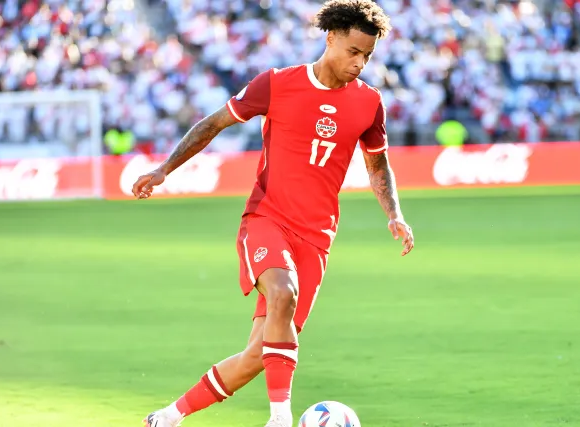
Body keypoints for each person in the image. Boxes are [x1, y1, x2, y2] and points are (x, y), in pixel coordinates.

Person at [131, 2, 415, 427]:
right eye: (354, 51)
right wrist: (163, 169)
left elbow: (378, 165)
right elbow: (213, 124)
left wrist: (394, 213)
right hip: (268, 219)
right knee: (283, 293)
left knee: (260, 354)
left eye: (368, 56)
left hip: (317, 237)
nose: (360, 63)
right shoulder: (277, 84)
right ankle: (280, 418)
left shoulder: (369, 104)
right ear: (331, 37)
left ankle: (169, 416)